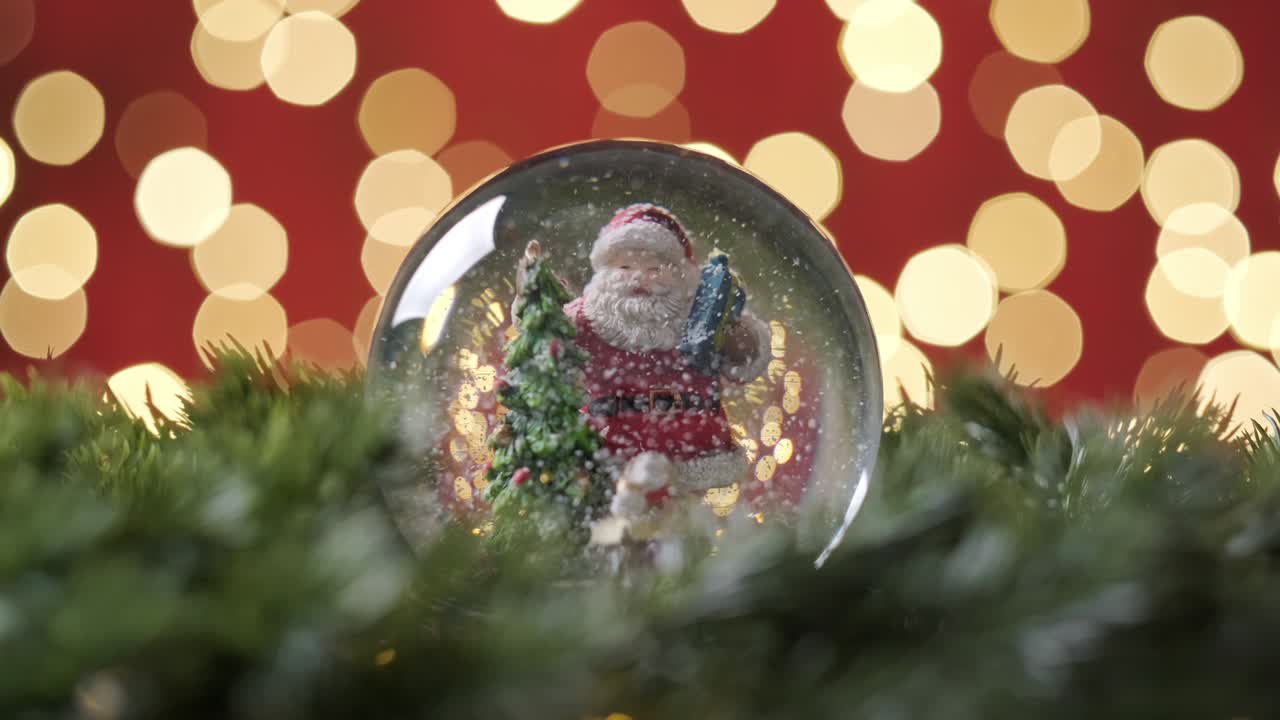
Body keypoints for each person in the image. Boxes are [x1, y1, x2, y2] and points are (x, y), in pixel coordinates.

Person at [561, 203, 771, 531]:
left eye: (655, 268)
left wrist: (736, 337)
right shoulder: (588, 317)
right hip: (611, 438)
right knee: (612, 514)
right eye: (625, 266)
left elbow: (746, 356)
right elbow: (549, 334)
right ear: (605, 270)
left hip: (688, 436)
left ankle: (680, 551)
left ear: (681, 272)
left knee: (681, 517)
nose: (639, 277)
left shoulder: (700, 316)